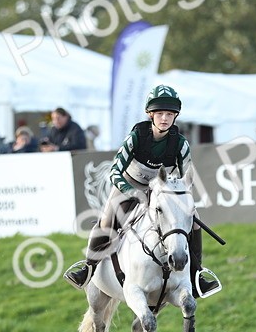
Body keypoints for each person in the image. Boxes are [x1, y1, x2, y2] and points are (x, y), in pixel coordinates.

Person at [63, 85, 221, 298]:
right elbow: (115, 172)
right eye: (160, 114)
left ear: (175, 117)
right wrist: (133, 192)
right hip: (130, 185)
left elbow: (186, 181)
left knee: (193, 218)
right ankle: (88, 268)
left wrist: (183, 203)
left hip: (161, 191)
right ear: (150, 115)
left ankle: (197, 275)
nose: (165, 119)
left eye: (170, 114)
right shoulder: (136, 136)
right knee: (107, 220)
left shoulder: (181, 144)